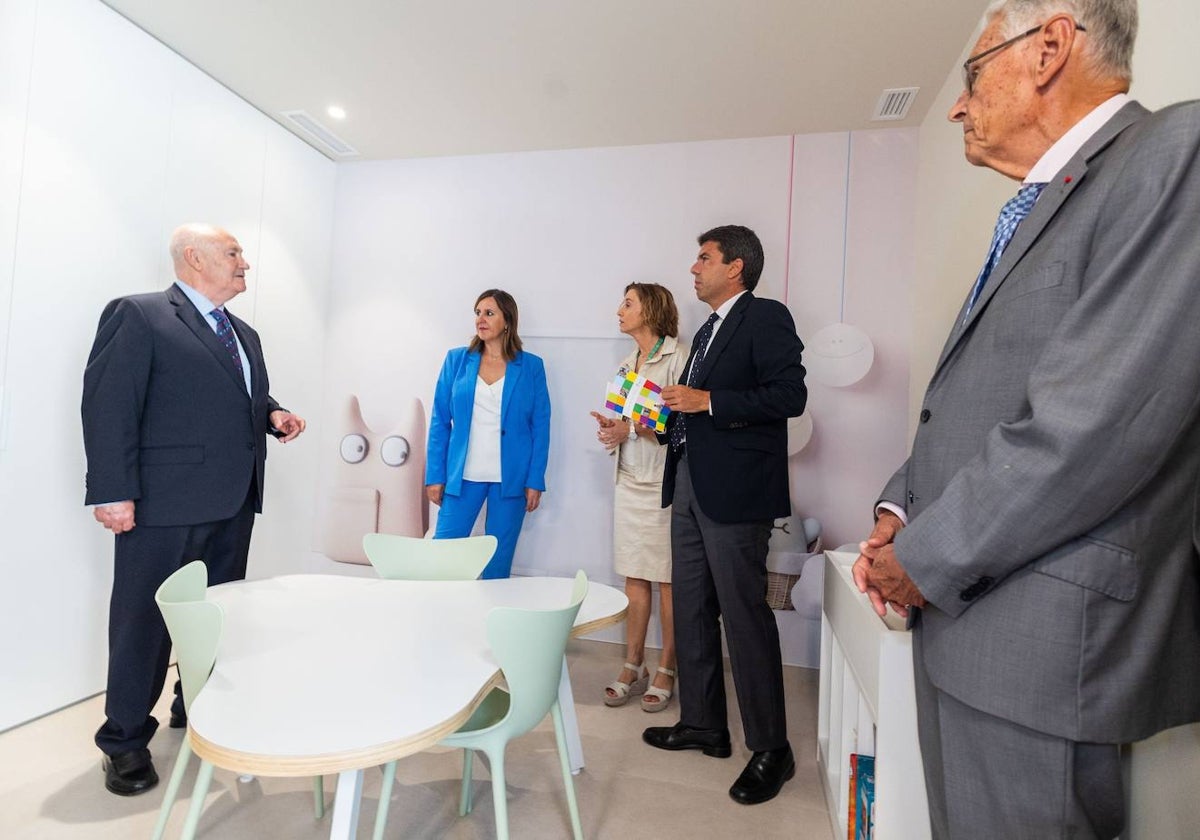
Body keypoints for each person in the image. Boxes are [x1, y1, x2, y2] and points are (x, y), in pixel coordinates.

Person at [852, 2, 1200, 837]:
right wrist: (899, 508)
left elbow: (1095, 427)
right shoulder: (1043, 207)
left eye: (970, 77)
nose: (958, 105)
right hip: (969, 621)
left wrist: (920, 557)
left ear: (1050, 47)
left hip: (1040, 647)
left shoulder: (1171, 155)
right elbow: (968, 401)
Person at [82, 223, 306, 796]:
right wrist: (111, 490)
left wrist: (272, 414)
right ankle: (125, 740)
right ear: (193, 257)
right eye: (233, 253)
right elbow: (110, 404)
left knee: (218, 615)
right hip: (162, 507)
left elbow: (238, 394)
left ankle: (195, 706)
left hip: (233, 501)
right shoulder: (140, 314)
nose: (245, 264)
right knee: (144, 623)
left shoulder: (245, 333)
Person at [642, 225, 807, 805]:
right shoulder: (706, 332)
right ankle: (704, 724)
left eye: (703, 258)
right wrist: (653, 423)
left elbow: (791, 396)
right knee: (689, 607)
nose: (694, 268)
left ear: (735, 267)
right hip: (688, 484)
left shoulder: (765, 317)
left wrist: (709, 401)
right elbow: (688, 413)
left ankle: (772, 749)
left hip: (737, 494)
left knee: (743, 615)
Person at [591, 283, 688, 712]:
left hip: (663, 484)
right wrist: (612, 429)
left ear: (649, 308)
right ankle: (634, 663)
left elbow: (677, 422)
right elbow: (625, 421)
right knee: (634, 575)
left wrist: (630, 427)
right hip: (629, 480)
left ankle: (668, 666)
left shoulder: (679, 358)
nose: (619, 310)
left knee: (668, 580)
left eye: (627, 303)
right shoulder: (626, 364)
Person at [426, 289, 550, 579]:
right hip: (462, 477)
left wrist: (535, 480)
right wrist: (435, 475)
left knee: (497, 565)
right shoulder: (457, 360)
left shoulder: (531, 366)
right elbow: (440, 421)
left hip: (511, 479)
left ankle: (489, 621)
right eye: (477, 313)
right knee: (441, 560)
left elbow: (541, 426)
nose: (480, 319)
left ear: (507, 321)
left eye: (489, 313)